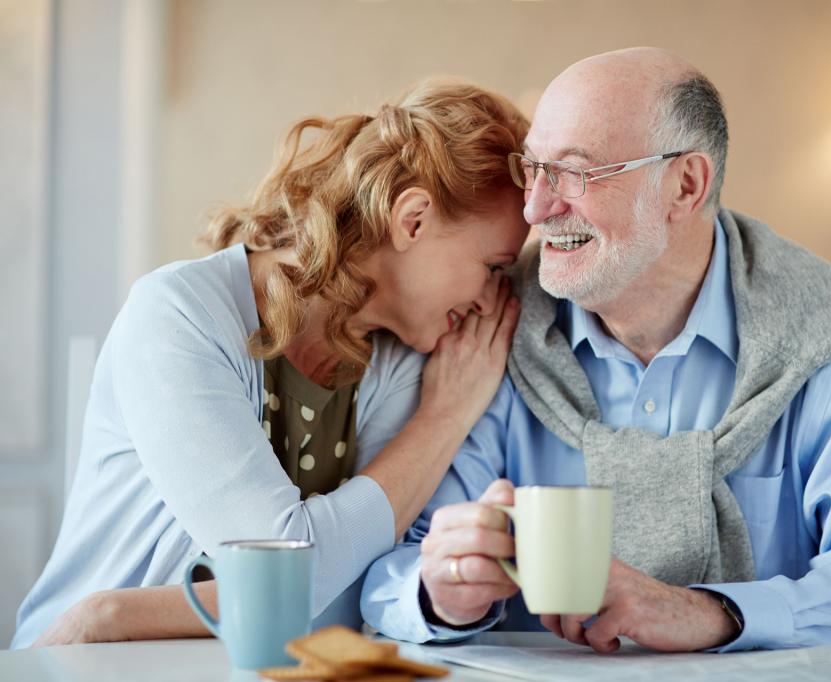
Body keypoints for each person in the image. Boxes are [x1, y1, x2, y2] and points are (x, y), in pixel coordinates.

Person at [361, 48, 831, 653]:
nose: (535, 210)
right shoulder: (492, 323)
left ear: (684, 184)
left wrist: (709, 613)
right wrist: (441, 592)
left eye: (575, 173)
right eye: (532, 170)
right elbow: (390, 575)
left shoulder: (828, 342)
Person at [12, 80, 531, 648]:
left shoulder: (402, 357)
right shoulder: (178, 316)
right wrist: (444, 419)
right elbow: (293, 580)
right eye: (493, 266)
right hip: (89, 662)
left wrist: (119, 612)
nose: (491, 300)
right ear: (412, 220)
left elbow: (346, 591)